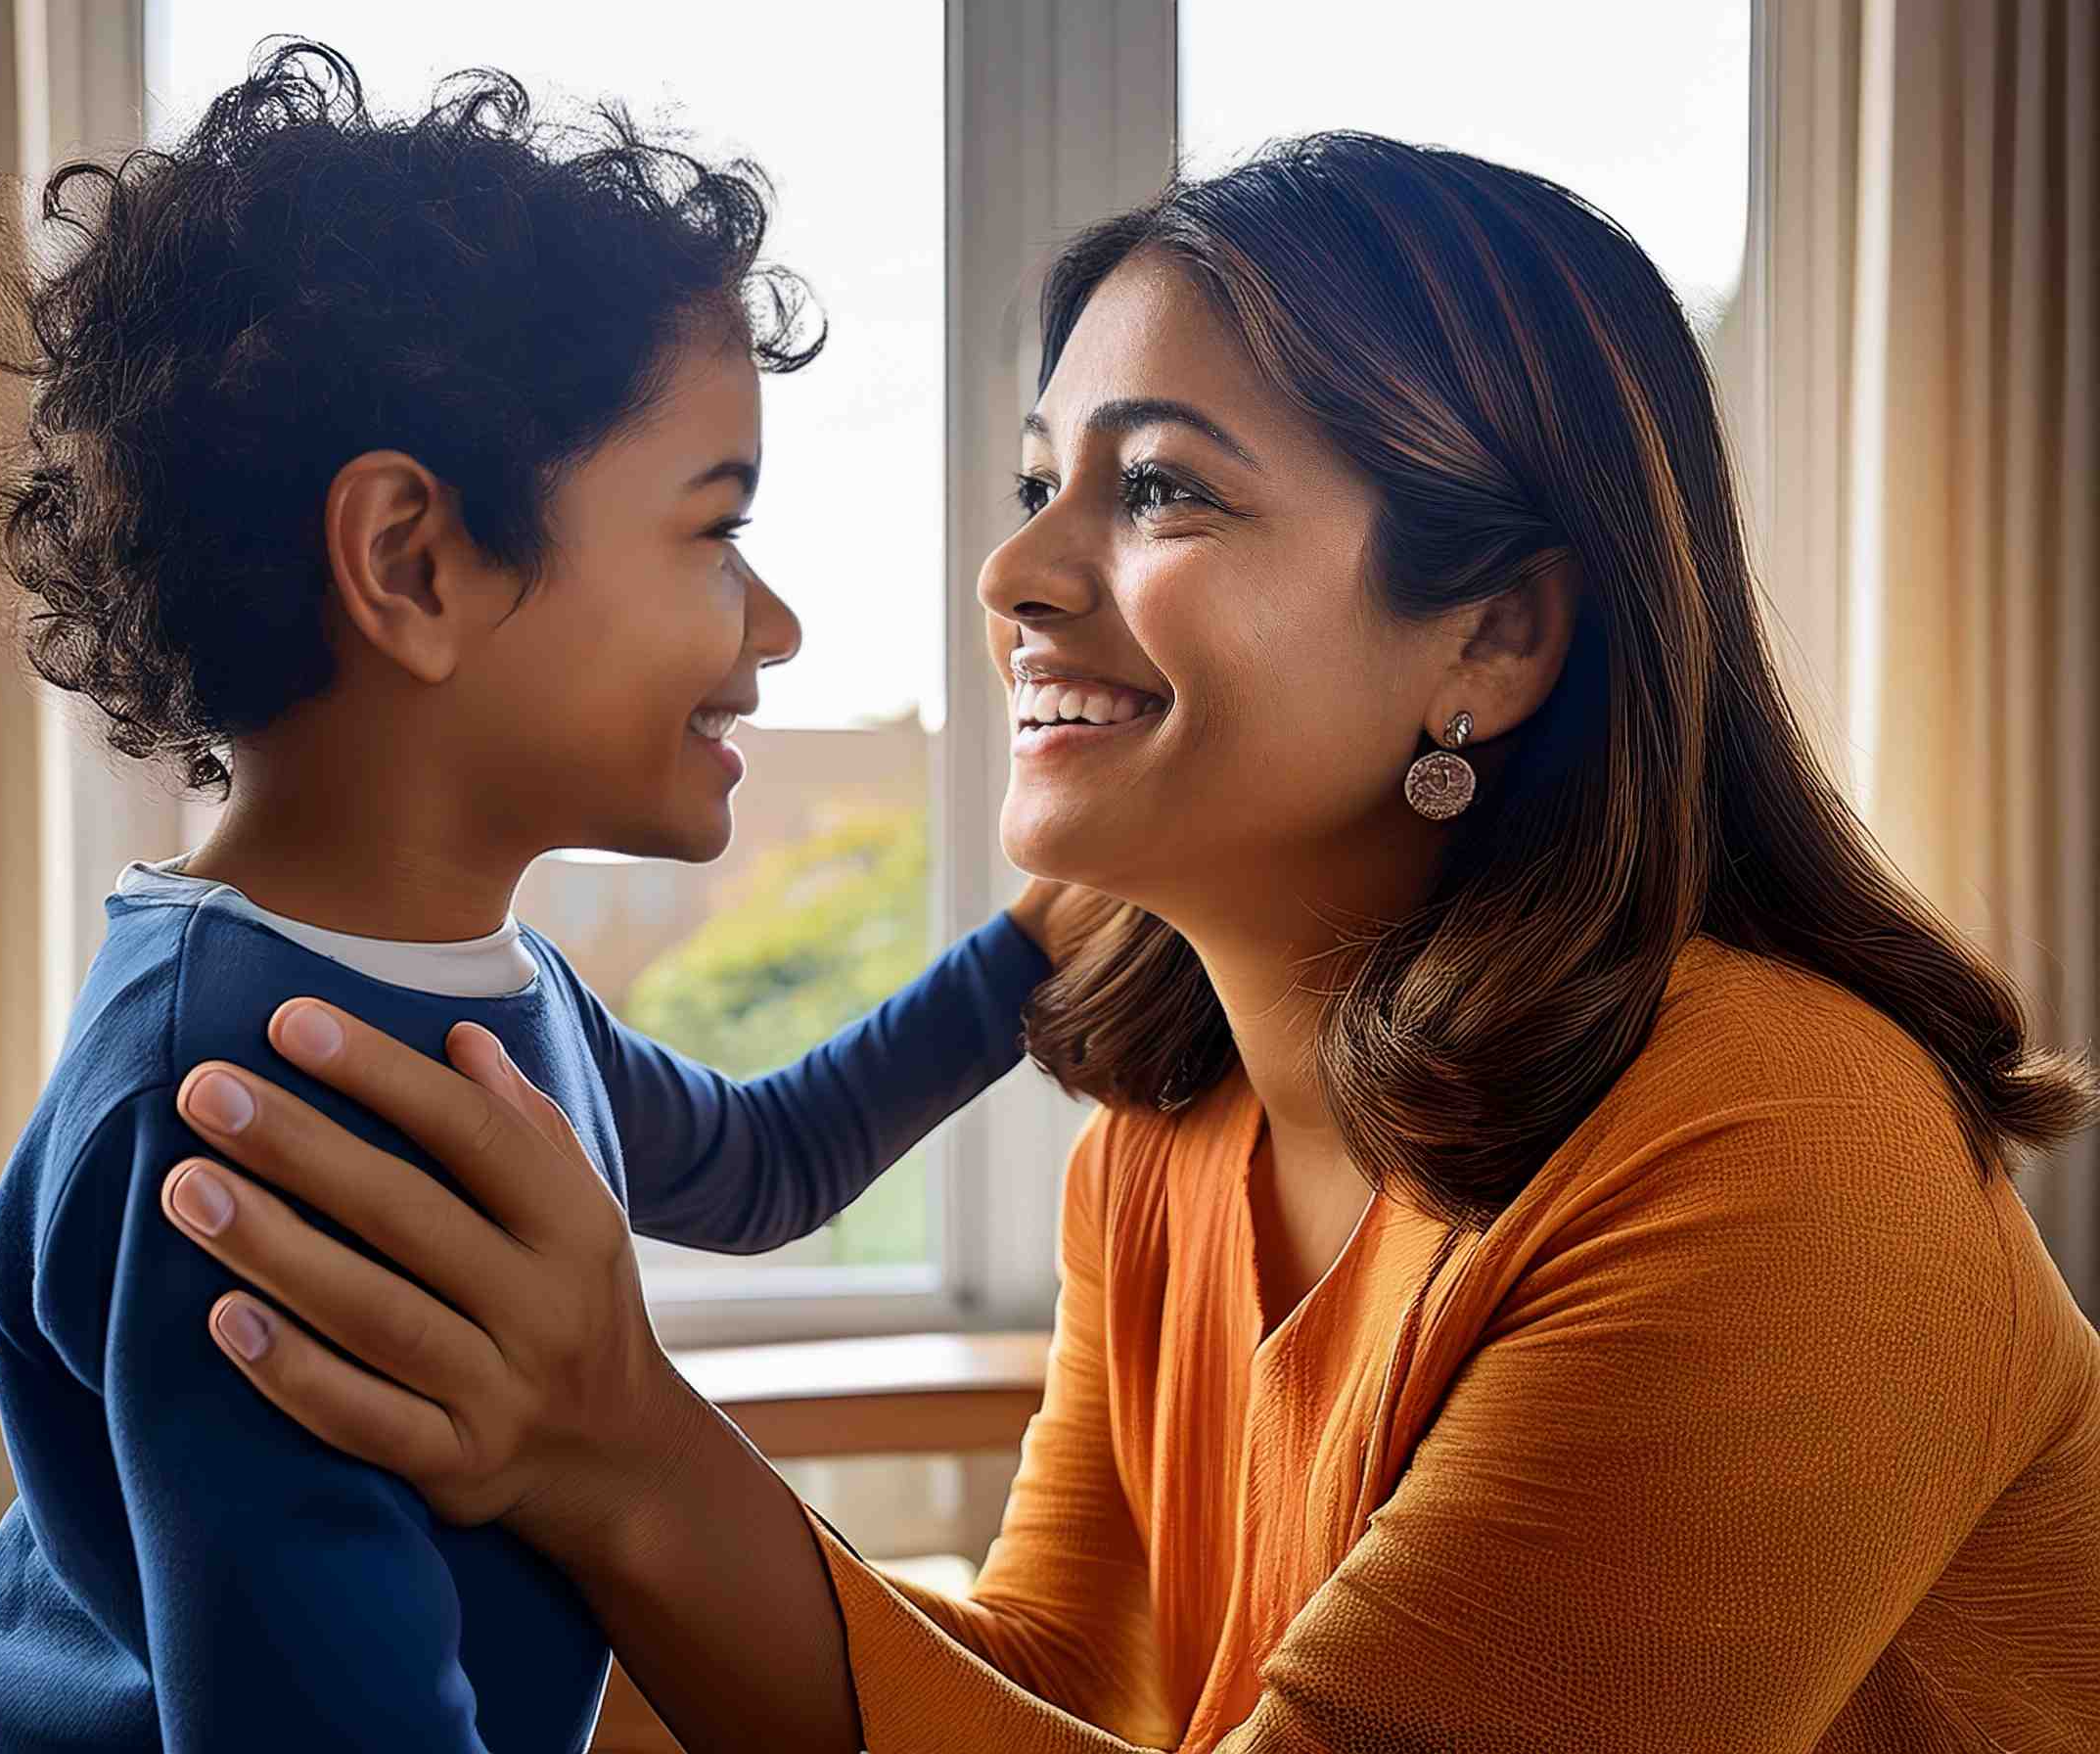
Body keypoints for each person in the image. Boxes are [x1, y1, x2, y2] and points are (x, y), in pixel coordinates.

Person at [145, 127, 2100, 1752]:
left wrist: (629, 1459)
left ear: (1494, 636)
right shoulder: (1162, 1158)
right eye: (1034, 481)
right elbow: (1067, 1693)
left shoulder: (1782, 1142)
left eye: (1160, 486)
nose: (1013, 572)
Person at [0, 40, 1089, 1753]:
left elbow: (766, 1164)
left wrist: (1030, 954)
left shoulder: (477, 982)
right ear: (413, 563)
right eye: (715, 532)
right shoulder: (248, 1110)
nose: (770, 627)